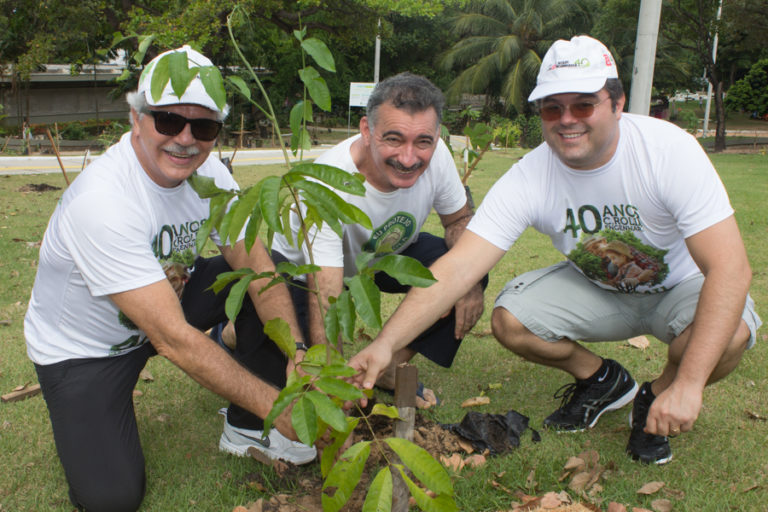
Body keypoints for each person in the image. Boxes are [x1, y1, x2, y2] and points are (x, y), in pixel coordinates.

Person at [349, 35, 761, 465]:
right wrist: (384, 345)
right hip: (600, 290)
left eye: (584, 104)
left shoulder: (667, 151)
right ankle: (603, 380)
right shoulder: (531, 175)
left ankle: (653, 396)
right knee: (511, 320)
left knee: (730, 333)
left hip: (680, 286)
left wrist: (689, 384)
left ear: (617, 104)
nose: (567, 120)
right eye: (552, 107)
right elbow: (454, 271)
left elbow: (731, 269)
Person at [24, 45, 316, 512]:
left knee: (269, 267)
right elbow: (175, 340)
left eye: (203, 127)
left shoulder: (211, 174)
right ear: (136, 118)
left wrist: (298, 352)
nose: (185, 139)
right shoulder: (102, 201)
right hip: (88, 351)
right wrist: (278, 408)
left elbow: (256, 265)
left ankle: (243, 425)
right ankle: (255, 399)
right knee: (112, 499)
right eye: (167, 121)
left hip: (165, 302)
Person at [271, 72, 486, 408]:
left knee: (471, 264)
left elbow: (459, 220)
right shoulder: (331, 180)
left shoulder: (437, 155)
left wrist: (467, 283)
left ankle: (387, 365)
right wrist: (335, 377)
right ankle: (234, 331)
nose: (408, 157)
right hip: (305, 274)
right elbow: (324, 286)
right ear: (366, 131)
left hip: (382, 256)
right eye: (394, 139)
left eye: (423, 142)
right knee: (286, 362)